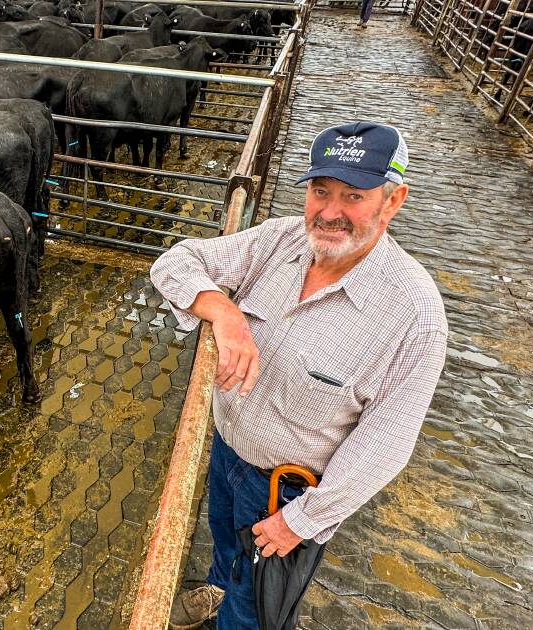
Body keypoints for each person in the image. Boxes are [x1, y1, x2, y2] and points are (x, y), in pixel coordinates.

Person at [150, 121, 447, 629]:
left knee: (258, 610)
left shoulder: (413, 313)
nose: (330, 211)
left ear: (392, 201)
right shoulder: (281, 240)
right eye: (320, 190)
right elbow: (177, 260)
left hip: (289, 490)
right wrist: (225, 312)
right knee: (225, 547)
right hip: (228, 451)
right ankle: (216, 592)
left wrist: (302, 520)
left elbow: (385, 442)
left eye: (353, 196)